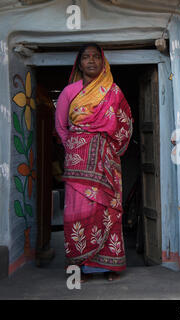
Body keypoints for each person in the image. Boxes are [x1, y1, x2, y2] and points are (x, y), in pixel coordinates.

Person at [55, 43, 133, 282]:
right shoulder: (70, 92)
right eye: (86, 57)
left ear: (103, 62)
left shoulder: (114, 91)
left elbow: (125, 123)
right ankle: (82, 268)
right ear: (79, 64)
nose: (91, 61)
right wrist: (76, 147)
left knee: (106, 211)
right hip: (77, 164)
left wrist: (107, 149)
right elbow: (61, 126)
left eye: (95, 57)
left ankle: (110, 267)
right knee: (77, 214)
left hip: (106, 162)